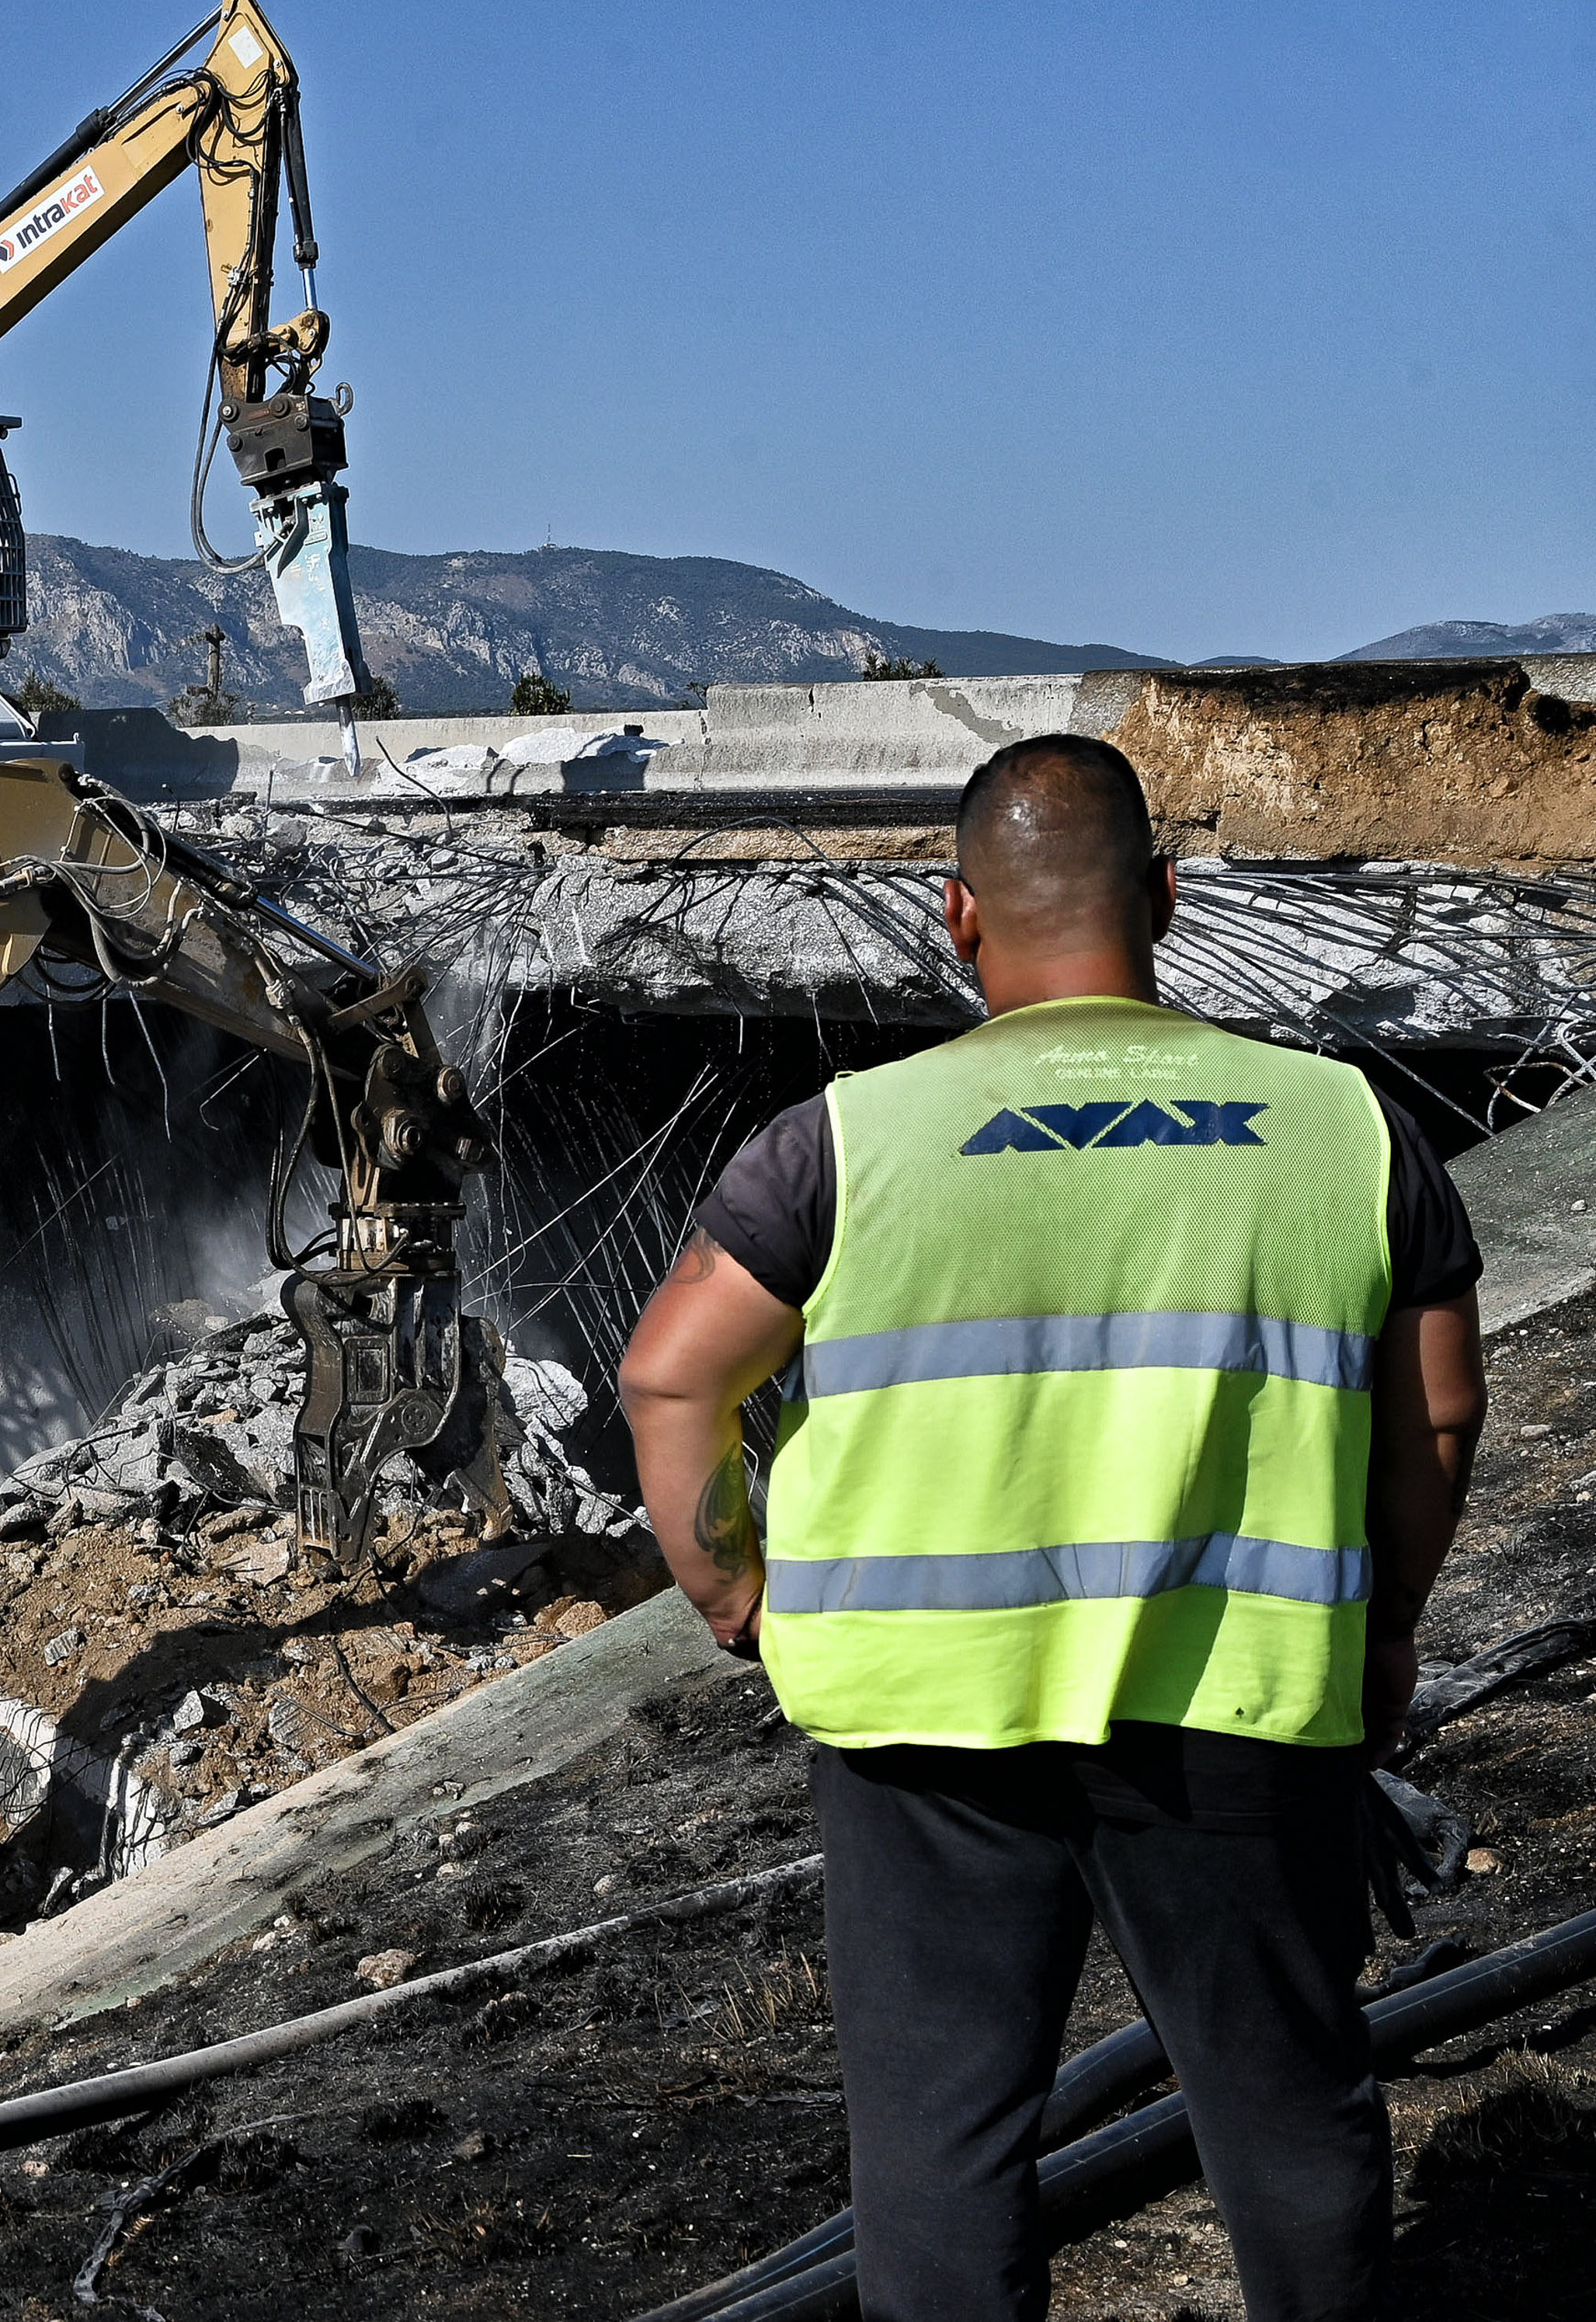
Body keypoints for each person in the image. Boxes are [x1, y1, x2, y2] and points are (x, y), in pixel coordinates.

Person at [618, 733, 1487, 2322]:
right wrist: (1386, 1629)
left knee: (943, 2147)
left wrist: (738, 1590)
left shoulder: (842, 1144)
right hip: (1235, 1705)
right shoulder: (1346, 1131)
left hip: (922, 1725)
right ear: (1164, 895)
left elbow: (671, 1380)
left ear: (957, 917)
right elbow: (1436, 1417)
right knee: (1289, 2108)